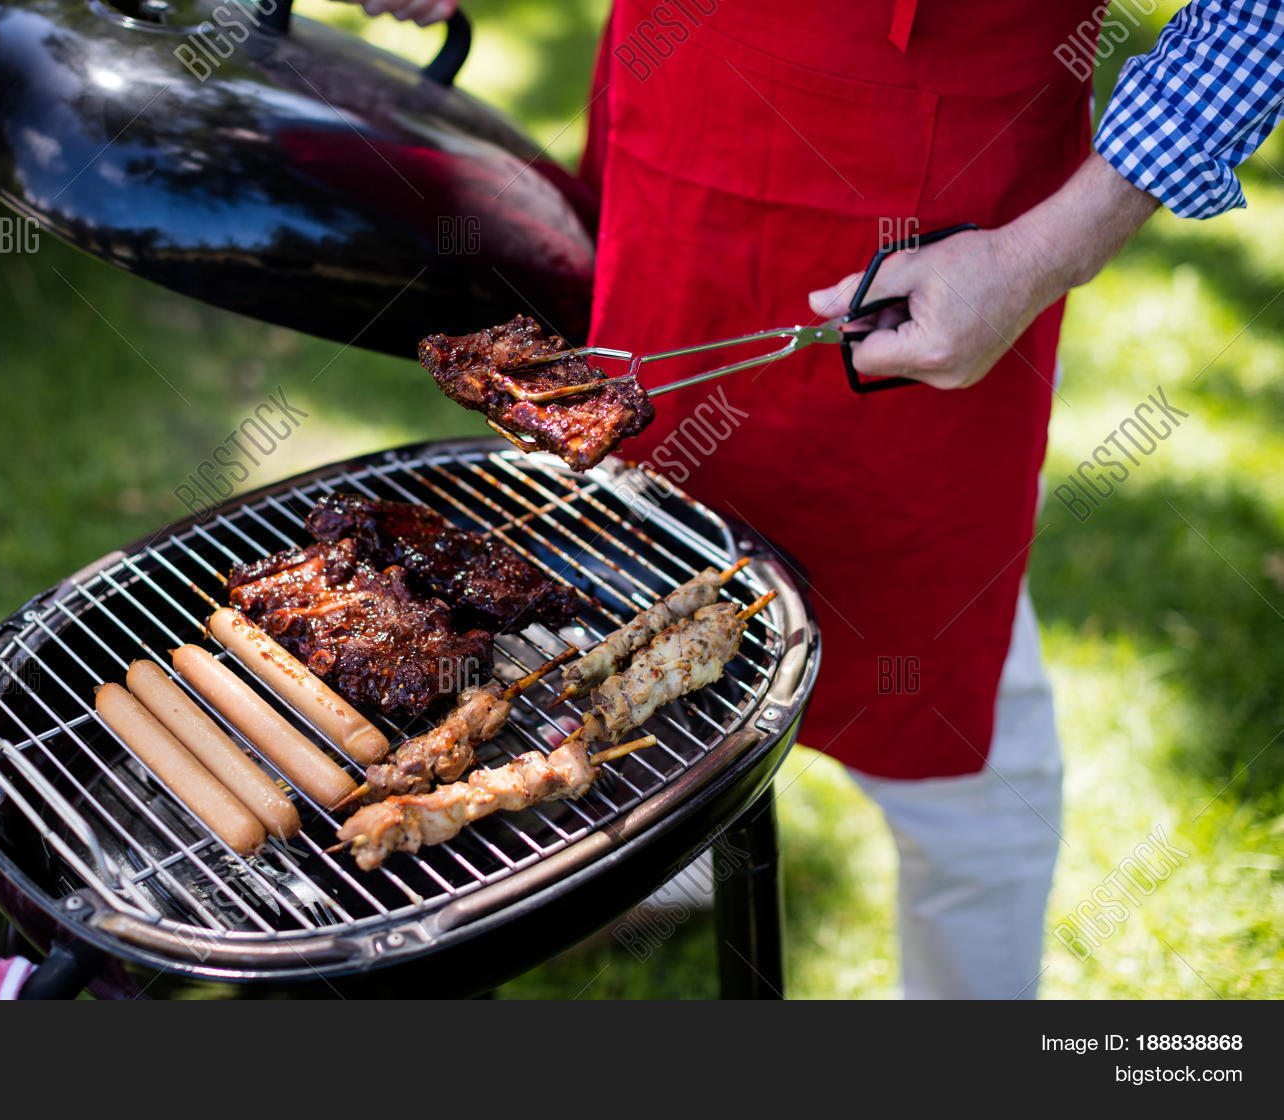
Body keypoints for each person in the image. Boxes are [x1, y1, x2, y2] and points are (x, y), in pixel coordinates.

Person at [354, 0, 1284, 997]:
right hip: (681, 127)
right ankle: (676, 851)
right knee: (643, 575)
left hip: (928, 209)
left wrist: (1040, 254)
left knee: (955, 739)